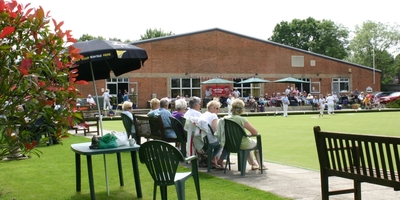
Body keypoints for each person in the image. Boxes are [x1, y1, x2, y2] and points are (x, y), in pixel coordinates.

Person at [217, 98, 267, 170]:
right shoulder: (242, 119)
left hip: (229, 144)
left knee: (248, 143)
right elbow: (255, 132)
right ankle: (261, 165)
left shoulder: (225, 118)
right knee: (256, 143)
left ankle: (253, 164)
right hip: (242, 144)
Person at [199, 100, 222, 168]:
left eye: (219, 108)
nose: (218, 110)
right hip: (210, 141)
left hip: (203, 140)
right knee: (223, 142)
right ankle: (214, 157)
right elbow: (215, 130)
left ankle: (215, 158)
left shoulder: (203, 115)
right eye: (217, 108)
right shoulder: (213, 115)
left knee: (220, 141)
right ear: (210, 108)